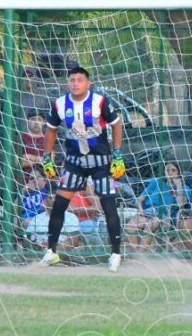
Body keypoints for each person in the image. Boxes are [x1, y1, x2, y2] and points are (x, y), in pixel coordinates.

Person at [39, 65, 127, 271]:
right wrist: (47, 158)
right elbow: (50, 131)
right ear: (67, 82)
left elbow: (116, 124)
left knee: (109, 206)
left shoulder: (100, 101)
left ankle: (115, 254)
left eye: (80, 80)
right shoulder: (60, 104)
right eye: (72, 80)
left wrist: (118, 155)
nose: (75, 83)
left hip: (101, 163)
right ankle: (52, 252)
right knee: (59, 204)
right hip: (74, 163)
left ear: (88, 83)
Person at [127, 161, 189, 248]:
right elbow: (139, 199)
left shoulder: (184, 188)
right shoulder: (156, 182)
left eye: (173, 170)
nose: (170, 173)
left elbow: (181, 204)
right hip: (147, 211)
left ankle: (140, 256)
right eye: (167, 170)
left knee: (149, 227)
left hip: (163, 215)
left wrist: (178, 186)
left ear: (179, 172)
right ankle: (136, 254)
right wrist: (140, 210)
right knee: (130, 227)